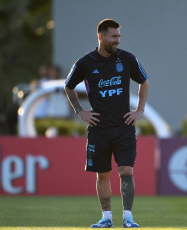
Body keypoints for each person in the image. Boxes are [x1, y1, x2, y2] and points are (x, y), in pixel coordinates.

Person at [64, 19, 149, 228]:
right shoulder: (85, 63)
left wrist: (139, 110)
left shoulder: (127, 59)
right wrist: (80, 111)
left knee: (126, 171)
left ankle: (128, 217)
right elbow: (68, 86)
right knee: (103, 174)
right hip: (98, 129)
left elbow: (144, 81)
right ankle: (107, 218)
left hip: (123, 127)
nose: (118, 41)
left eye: (119, 36)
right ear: (101, 37)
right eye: (114, 36)